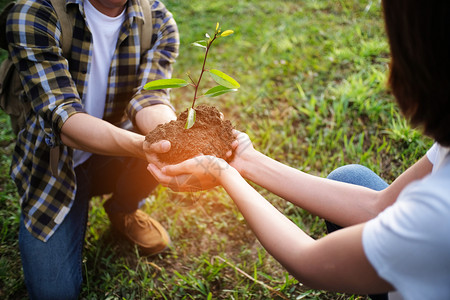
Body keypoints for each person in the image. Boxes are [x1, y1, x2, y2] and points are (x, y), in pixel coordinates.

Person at [146, 0, 450, 299]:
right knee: (351, 178)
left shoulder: (439, 214)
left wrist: (223, 172)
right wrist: (247, 160)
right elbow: (379, 207)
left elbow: (309, 261)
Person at [5, 0, 179, 298]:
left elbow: (151, 97)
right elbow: (64, 118)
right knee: (54, 293)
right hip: (55, 166)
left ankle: (123, 207)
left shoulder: (157, 18)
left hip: (114, 150)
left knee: (165, 146)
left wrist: (173, 141)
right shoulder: (34, 12)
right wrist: (143, 146)